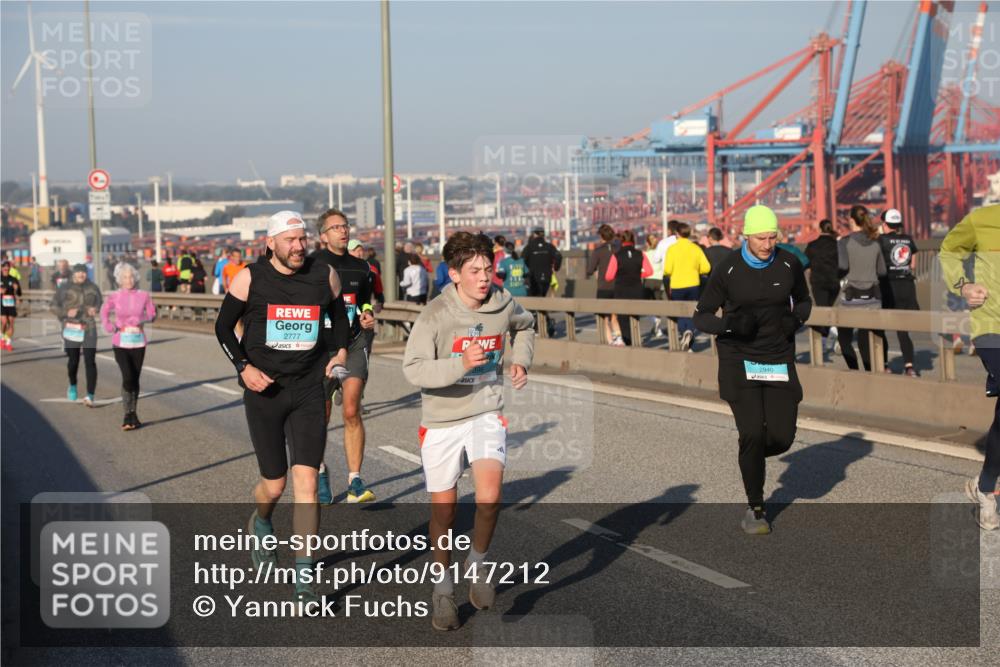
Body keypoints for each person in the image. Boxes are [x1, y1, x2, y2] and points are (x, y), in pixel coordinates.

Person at [213, 210, 349, 607]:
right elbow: (223, 328)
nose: (299, 246)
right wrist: (243, 367)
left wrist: (339, 349)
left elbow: (340, 318)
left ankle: (304, 577)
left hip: (309, 390)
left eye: (303, 238)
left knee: (306, 484)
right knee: (275, 485)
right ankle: (262, 520)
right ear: (270, 242)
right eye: (290, 240)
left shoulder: (323, 275)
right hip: (265, 392)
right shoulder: (250, 278)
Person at [401, 231, 535, 630]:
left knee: (490, 498)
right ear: (454, 274)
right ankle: (442, 589)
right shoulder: (435, 315)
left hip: (485, 410)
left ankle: (477, 564)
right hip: (442, 419)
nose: (484, 277)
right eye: (474, 271)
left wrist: (521, 361)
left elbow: (526, 326)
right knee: (444, 511)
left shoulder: (502, 303)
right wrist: (459, 364)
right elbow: (414, 368)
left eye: (488, 269)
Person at [693, 205, 812, 534]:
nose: (768, 243)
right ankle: (756, 508)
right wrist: (728, 327)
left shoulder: (788, 262)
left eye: (773, 236)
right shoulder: (728, 268)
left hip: (777, 358)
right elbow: (701, 315)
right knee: (753, 433)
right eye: (762, 237)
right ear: (747, 235)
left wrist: (795, 319)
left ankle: (752, 453)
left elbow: (804, 301)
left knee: (782, 437)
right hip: (739, 360)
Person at [312, 209, 378, 505]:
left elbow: (365, 299)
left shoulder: (361, 267)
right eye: (335, 227)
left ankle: (355, 480)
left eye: (345, 225)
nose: (343, 230)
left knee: (351, 409)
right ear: (323, 236)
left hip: (353, 342)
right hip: (320, 348)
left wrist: (366, 313)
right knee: (320, 417)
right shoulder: (311, 266)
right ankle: (319, 469)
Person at [941, 204, 1000, 530]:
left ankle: (985, 485)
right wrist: (964, 286)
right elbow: (949, 250)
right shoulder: (983, 219)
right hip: (992, 326)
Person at [100, 262, 156, 430]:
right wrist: (107, 325)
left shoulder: (144, 295)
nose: (128, 280)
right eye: (125, 277)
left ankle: (133, 414)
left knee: (135, 378)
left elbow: (152, 314)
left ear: (135, 278)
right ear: (119, 279)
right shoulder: (115, 296)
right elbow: (104, 311)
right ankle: (126, 414)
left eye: (131, 276)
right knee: (128, 377)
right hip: (120, 341)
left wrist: (142, 319)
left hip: (138, 340)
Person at [837, 205, 888, 371]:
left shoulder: (845, 242)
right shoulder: (875, 242)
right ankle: (869, 375)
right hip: (872, 298)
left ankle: (854, 371)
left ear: (851, 221)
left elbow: (843, 266)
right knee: (865, 341)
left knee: (844, 339)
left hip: (851, 298)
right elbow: (882, 271)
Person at [876, 209, 920, 376]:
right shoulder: (908, 239)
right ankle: (909, 366)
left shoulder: (881, 240)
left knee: (881, 328)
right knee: (903, 330)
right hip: (907, 287)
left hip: (889, 286)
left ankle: (885, 365)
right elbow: (913, 264)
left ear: (885, 224)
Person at [52, 263, 103, 406]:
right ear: (73, 274)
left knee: (90, 361)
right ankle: (73, 384)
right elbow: (54, 306)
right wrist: (66, 313)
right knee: (73, 361)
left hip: (89, 327)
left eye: (84, 272)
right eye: (79, 272)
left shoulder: (93, 287)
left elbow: (100, 302)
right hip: (71, 327)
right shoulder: (64, 287)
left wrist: (96, 309)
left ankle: (90, 395)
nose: (81, 274)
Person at [664, 222, 711, 351]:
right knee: (691, 311)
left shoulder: (672, 249)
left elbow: (667, 270)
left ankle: (684, 332)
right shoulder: (696, 248)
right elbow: (706, 268)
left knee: (680, 312)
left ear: (677, 234)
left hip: (677, 285)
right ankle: (689, 331)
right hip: (693, 284)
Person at [604, 229, 653, 346]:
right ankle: (635, 340)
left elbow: (608, 276)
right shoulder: (641, 254)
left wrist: (622, 274)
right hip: (637, 289)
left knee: (623, 318)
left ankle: (628, 343)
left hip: (621, 290)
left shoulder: (616, 256)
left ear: (621, 241)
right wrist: (636, 274)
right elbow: (650, 271)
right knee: (635, 316)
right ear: (633, 240)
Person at [805, 219, 841, 351]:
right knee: (829, 307)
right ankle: (828, 339)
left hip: (818, 281)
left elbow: (806, 265)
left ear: (820, 230)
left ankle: (831, 331)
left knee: (822, 309)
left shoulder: (812, 245)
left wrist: (810, 278)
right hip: (834, 282)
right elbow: (843, 265)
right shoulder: (837, 245)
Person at [587, 225, 618, 344]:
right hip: (618, 286)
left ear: (601, 236)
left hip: (604, 286)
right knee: (615, 315)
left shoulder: (598, 251)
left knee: (604, 317)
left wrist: (595, 271)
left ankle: (610, 341)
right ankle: (618, 338)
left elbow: (590, 270)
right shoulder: (618, 249)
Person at [644, 233, 666, 339]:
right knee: (658, 304)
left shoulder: (645, 254)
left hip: (648, 281)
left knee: (649, 306)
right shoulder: (661, 254)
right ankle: (657, 328)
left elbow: (642, 270)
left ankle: (656, 326)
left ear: (647, 243)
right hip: (660, 281)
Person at [1, 261, 23, 351]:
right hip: (1, 303)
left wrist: (16, 289)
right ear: (1, 268)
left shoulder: (13, 279)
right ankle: (2, 338)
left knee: (11, 323)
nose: (6, 269)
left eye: (8, 267)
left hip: (11, 303)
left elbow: (19, 293)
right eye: (4, 267)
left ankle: (8, 343)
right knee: (4, 322)